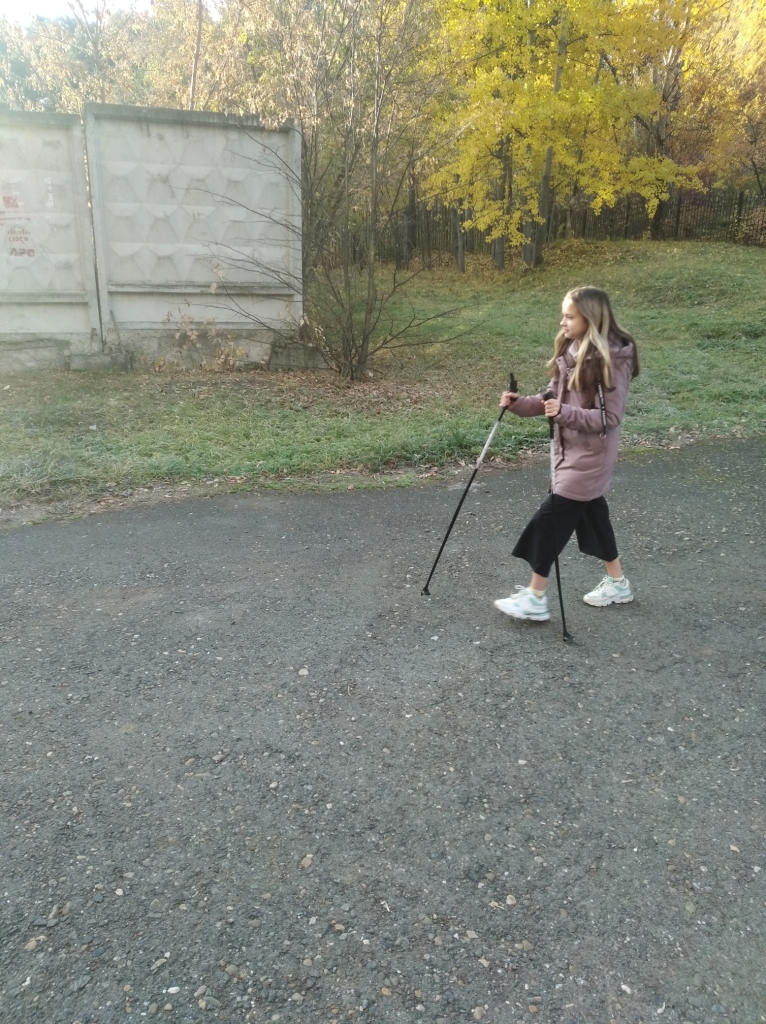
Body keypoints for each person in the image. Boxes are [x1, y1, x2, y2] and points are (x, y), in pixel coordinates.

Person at [494, 286, 639, 622]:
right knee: (594, 517)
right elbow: (552, 399)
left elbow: (609, 417)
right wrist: (520, 404)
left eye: (570, 316)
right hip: (569, 450)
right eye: (563, 315)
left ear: (591, 318)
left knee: (549, 523)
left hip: (590, 456)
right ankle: (618, 584)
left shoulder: (610, 360)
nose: (563, 322)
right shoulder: (571, 350)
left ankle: (535, 598)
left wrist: (563, 413)